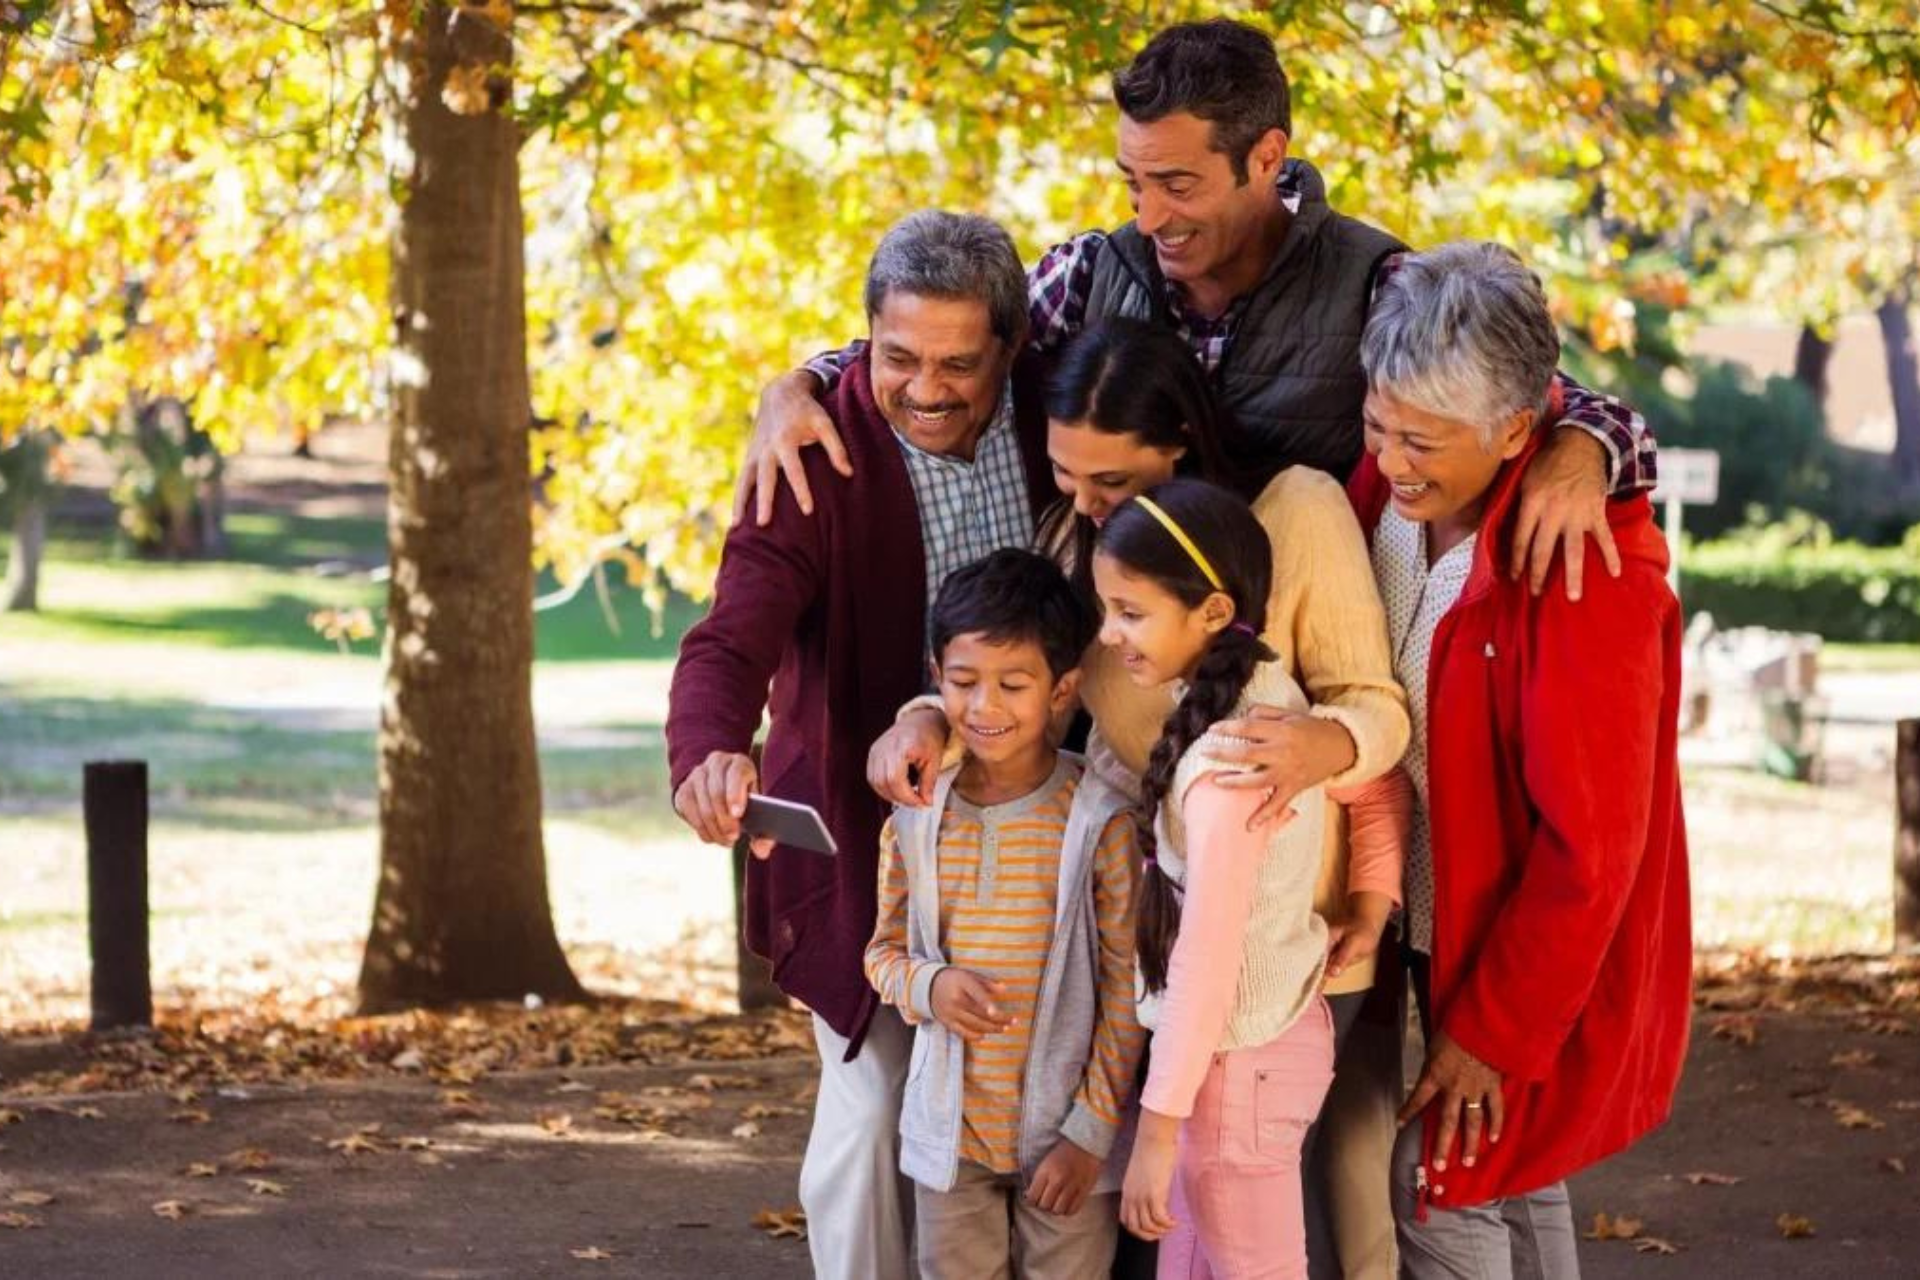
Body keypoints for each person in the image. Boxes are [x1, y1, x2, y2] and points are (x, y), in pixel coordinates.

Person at [740, 19, 1655, 612]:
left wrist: (1584, 452)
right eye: (1133, 183)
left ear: (1266, 157)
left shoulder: (1376, 283)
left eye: (1177, 184)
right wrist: (800, 383)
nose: (1149, 216)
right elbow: (939, 349)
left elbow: (1526, 399)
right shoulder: (1089, 272)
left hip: (1295, 679)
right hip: (1112, 679)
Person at [869, 318, 1411, 1276]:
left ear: (1180, 449)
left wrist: (1319, 754)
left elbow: (1378, 713)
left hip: (1290, 957)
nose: (1080, 505)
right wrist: (926, 715)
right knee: (1188, 1225)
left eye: (1109, 483)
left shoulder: (1293, 512)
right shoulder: (1088, 552)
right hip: (1163, 956)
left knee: (1329, 1219)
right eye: (1066, 477)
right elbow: (1015, 674)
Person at [665, 210, 1055, 1280]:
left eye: (957, 363)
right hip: (865, 833)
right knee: (876, 1098)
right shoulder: (814, 450)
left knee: (1051, 1102)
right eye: (897, 357)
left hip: (1043, 820)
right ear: (864, 341)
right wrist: (708, 748)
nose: (925, 388)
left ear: (1011, 350)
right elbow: (730, 635)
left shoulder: (1058, 407)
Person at [1346, 241, 1692, 1275]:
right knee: (1511, 1167)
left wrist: (1494, 1030)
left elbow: (1592, 846)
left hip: (1520, 941)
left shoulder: (1589, 568)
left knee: (1438, 1175)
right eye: (1377, 424)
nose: (1392, 460)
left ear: (1513, 429)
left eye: (1421, 439)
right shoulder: (1387, 496)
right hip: (1424, 905)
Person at [1087, 478, 1410, 1278]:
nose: (1109, 633)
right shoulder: (1270, 703)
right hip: (1235, 1063)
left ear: (1212, 613)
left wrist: (1155, 1133)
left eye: (1131, 612)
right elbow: (1378, 781)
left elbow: (1206, 957)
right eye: (1106, 609)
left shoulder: (1231, 759)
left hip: (1239, 1072)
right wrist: (1371, 906)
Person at [865, 548, 1146, 1278]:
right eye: (964, 683)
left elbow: (1127, 992)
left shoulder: (1099, 823)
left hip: (1066, 1143)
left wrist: (1089, 1135)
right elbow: (882, 953)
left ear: (1063, 690)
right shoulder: (916, 818)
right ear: (936, 678)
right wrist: (929, 987)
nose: (985, 707)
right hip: (950, 1141)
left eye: (1013, 685)